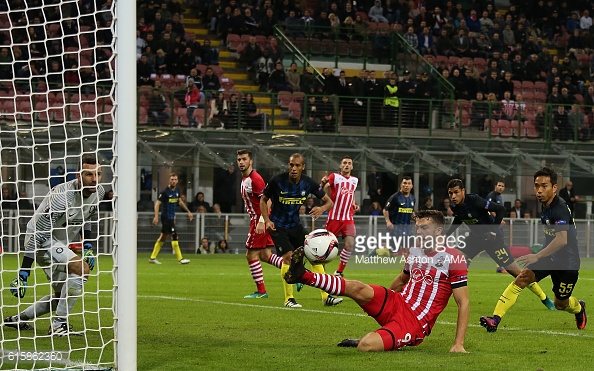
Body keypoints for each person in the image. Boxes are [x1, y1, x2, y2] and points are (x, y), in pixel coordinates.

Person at [284, 210, 470, 353]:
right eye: (418, 227)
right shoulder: (415, 250)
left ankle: (377, 339)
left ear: (439, 230)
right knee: (356, 287)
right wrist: (382, 299)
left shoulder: (454, 258)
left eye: (424, 228)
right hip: (397, 303)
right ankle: (303, 275)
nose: (419, 232)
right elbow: (402, 279)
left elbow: (464, 303)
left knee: (365, 345)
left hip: (414, 322)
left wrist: (458, 344)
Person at [4, 155, 103, 336]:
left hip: (60, 243)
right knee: (81, 269)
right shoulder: (61, 196)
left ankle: (18, 320)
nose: (95, 180)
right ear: (79, 176)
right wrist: (24, 272)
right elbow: (39, 233)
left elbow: (88, 216)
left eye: (98, 174)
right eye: (89, 174)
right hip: (41, 239)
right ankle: (59, 325)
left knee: (61, 297)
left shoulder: (99, 192)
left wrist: (87, 246)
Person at [480, 167, 587, 332]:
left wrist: (537, 256)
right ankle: (495, 319)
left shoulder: (559, 208)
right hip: (549, 257)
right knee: (522, 278)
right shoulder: (545, 206)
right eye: (537, 186)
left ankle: (579, 308)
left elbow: (561, 240)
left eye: (544, 186)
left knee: (561, 304)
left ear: (554, 188)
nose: (539, 190)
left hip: (567, 264)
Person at [445, 179, 554, 309]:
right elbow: (459, 218)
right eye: (450, 193)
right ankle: (447, 298)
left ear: (463, 191)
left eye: (456, 192)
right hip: (475, 239)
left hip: (493, 241)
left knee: (518, 274)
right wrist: (445, 236)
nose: (453, 196)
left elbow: (500, 209)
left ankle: (545, 298)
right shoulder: (456, 207)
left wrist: (493, 230)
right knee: (454, 261)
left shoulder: (475, 200)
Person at [260, 153, 339, 308]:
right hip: (278, 226)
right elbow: (263, 199)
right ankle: (289, 299)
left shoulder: (308, 183)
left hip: (296, 225)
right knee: (288, 257)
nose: (294, 168)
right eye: (291, 165)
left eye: (297, 165)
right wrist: (266, 220)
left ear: (303, 167)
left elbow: (329, 202)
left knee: (314, 256)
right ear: (288, 166)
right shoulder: (277, 181)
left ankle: (326, 297)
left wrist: (321, 208)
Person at [237, 149, 283, 299]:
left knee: (251, 255)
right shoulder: (245, 179)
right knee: (265, 255)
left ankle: (261, 291)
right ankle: (296, 270)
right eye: (239, 160)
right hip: (259, 219)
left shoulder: (255, 179)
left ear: (251, 161)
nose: (241, 162)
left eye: (244, 159)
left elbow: (268, 200)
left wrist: (262, 221)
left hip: (259, 219)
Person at [319, 156, 360, 277]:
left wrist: (353, 204)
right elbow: (321, 190)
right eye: (344, 163)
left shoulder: (355, 180)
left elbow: (351, 194)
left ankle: (339, 272)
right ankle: (321, 274)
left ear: (352, 167)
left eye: (349, 163)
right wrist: (322, 183)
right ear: (340, 166)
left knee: (350, 243)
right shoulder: (334, 177)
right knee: (326, 248)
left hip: (348, 218)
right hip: (334, 218)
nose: (347, 165)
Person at [149, 173, 193, 264]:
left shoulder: (177, 191)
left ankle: (152, 258)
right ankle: (180, 259)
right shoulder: (165, 192)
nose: (173, 181)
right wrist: (156, 216)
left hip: (171, 217)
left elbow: (180, 202)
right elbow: (157, 204)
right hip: (166, 217)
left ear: (177, 181)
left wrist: (188, 211)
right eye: (172, 179)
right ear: (169, 180)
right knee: (174, 235)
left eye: (175, 179)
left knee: (163, 237)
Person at [383, 176, 415, 249]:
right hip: (395, 228)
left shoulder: (412, 198)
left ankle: (406, 260)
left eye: (409, 183)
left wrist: (417, 219)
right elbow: (385, 209)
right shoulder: (395, 197)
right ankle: (377, 251)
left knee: (408, 249)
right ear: (401, 185)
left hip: (407, 229)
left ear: (411, 186)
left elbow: (411, 211)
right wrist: (388, 221)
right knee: (393, 252)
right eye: (404, 183)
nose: (406, 185)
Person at [486, 179, 507, 273]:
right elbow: (490, 209)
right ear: (495, 186)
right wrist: (500, 219)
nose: (501, 188)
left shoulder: (499, 197)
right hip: (492, 225)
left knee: (498, 244)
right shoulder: (491, 196)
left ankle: (500, 266)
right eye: (499, 185)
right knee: (497, 244)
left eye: (502, 186)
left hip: (496, 225)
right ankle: (500, 266)